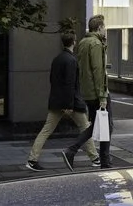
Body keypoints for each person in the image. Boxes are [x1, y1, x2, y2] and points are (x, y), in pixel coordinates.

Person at [26, 22, 91, 170]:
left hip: (56, 101)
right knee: (86, 128)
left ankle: (32, 159)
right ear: (74, 42)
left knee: (46, 130)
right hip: (70, 103)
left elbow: (53, 81)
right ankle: (95, 157)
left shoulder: (57, 59)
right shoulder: (71, 60)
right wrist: (68, 105)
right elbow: (70, 85)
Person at [71, 14, 111, 167]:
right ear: (100, 28)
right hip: (97, 92)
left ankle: (73, 150)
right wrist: (102, 96)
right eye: (104, 27)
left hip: (87, 91)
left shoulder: (83, 42)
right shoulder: (95, 44)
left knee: (97, 124)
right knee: (106, 125)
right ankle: (104, 162)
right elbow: (98, 70)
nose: (105, 30)